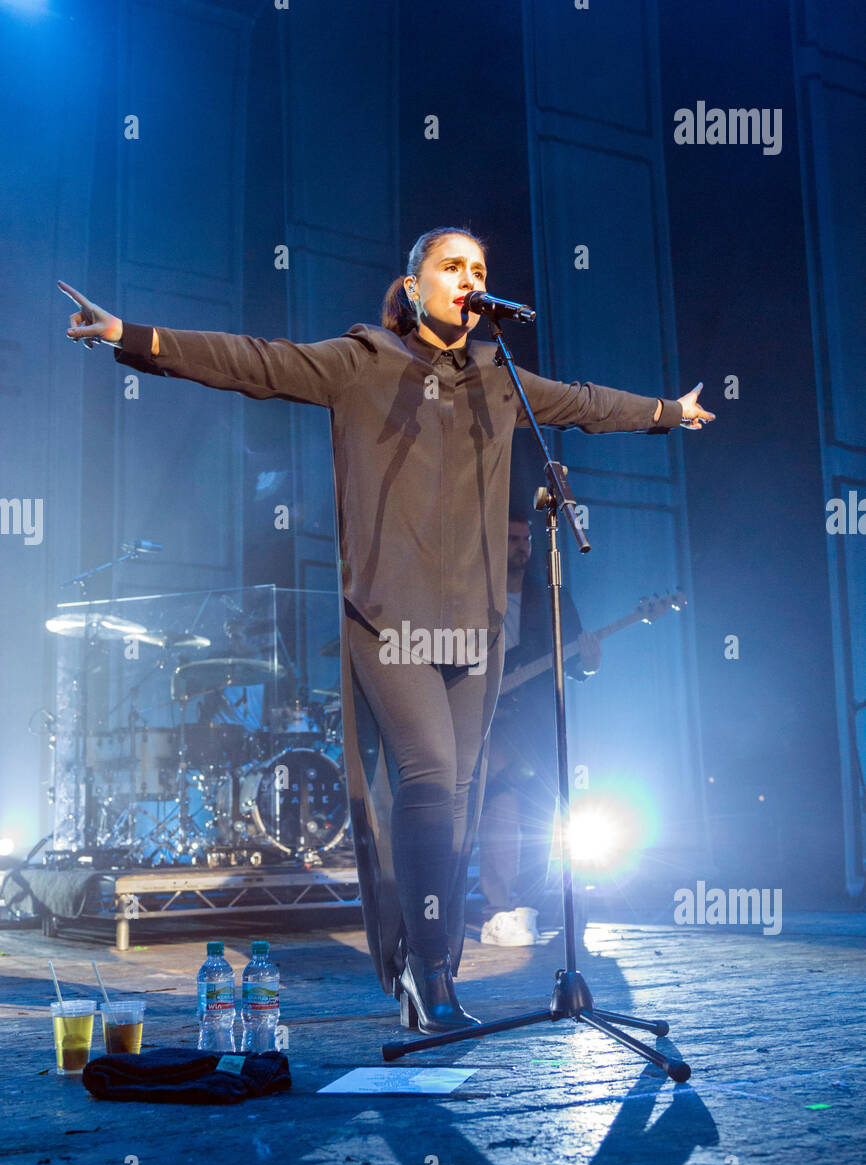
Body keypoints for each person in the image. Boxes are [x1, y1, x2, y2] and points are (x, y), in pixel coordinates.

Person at [58, 225, 714, 1034]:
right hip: (390, 618)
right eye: (452, 266)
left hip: (476, 622)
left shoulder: (496, 378)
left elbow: (580, 403)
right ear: (413, 287)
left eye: (480, 268)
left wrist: (665, 413)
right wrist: (134, 336)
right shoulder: (362, 362)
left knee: (462, 801)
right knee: (431, 777)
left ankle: (421, 963)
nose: (469, 278)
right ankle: (433, 976)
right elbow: (253, 361)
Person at [476, 509, 598, 944]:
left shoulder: (552, 597)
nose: (522, 547)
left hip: (537, 725)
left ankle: (526, 907)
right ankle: (497, 911)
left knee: (539, 817)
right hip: (492, 722)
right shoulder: (473, 596)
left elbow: (578, 661)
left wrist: (591, 662)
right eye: (511, 539)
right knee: (501, 818)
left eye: (526, 539)